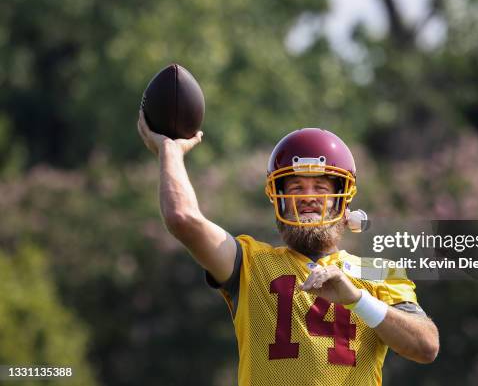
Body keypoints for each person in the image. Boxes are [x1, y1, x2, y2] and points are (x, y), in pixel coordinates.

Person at [137, 111, 439, 386]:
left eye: (320, 188)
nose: (308, 198)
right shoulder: (250, 262)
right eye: (295, 188)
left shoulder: (376, 270)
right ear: (277, 198)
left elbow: (426, 346)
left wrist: (357, 299)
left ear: (342, 200)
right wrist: (170, 150)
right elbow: (182, 218)